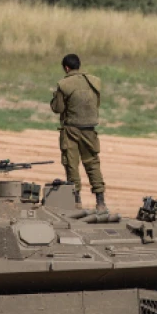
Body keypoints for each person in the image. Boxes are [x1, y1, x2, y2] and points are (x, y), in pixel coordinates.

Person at [50, 53, 106, 210]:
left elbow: (57, 108)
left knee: (71, 164)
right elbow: (97, 103)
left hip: (71, 130)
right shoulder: (94, 81)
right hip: (90, 130)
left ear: (66, 68)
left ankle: (76, 201)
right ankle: (100, 201)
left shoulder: (64, 84)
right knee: (93, 163)